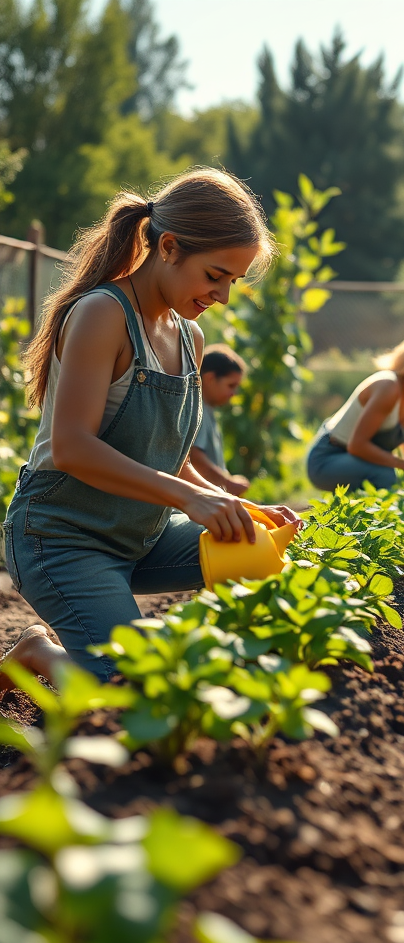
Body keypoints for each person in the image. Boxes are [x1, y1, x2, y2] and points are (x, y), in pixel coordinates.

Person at [1, 167, 299, 684]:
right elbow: (72, 448)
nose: (223, 296)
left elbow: (167, 451)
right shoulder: (103, 314)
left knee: (265, 552)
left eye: (233, 281)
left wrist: (233, 505)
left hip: (141, 535)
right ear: (167, 247)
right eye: (215, 275)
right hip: (61, 539)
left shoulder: (190, 338)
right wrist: (191, 501)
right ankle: (38, 654)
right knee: (133, 687)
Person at [307, 330, 404, 493]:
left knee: (399, 478)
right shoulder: (388, 386)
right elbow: (357, 446)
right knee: (387, 475)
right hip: (328, 459)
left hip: (359, 462)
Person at [191, 344, 250, 495]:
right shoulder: (198, 409)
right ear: (210, 378)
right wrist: (228, 483)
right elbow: (194, 456)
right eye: (231, 385)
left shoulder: (208, 409)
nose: (233, 393)